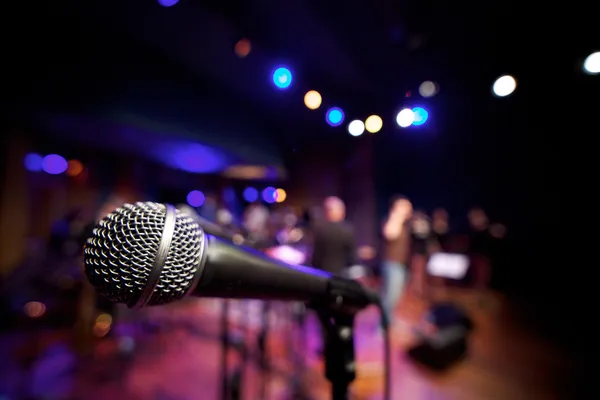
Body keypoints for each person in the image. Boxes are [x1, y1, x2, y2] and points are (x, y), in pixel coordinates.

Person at [380, 196, 413, 326]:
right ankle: (382, 326)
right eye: (406, 206)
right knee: (390, 297)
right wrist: (397, 215)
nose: (409, 209)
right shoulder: (393, 221)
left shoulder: (404, 223)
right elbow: (389, 234)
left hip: (401, 264)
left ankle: (389, 320)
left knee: (395, 296)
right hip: (392, 264)